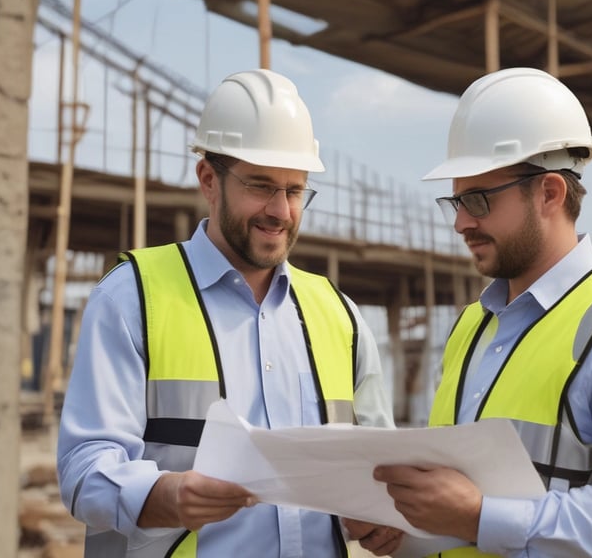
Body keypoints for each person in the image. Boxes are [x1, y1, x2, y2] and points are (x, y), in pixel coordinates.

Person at [350, 67, 592, 557]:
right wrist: (409, 528)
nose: (460, 222)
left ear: (550, 194)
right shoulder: (472, 326)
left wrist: (481, 516)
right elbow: (461, 503)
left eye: (477, 199)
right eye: (455, 200)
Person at [57, 69, 399, 557]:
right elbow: (83, 469)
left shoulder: (339, 314)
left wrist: (381, 515)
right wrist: (166, 497)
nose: (280, 210)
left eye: (296, 190)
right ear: (208, 180)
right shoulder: (133, 298)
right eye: (261, 186)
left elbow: (378, 468)